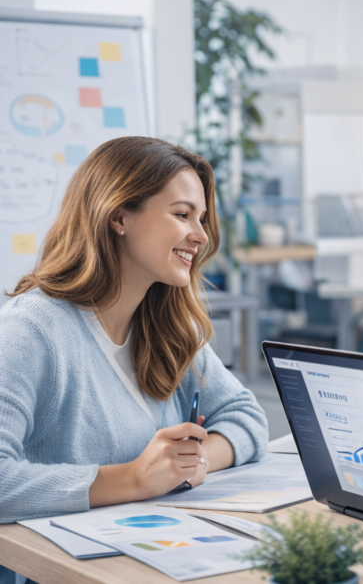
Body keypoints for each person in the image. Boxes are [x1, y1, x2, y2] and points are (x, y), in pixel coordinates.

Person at [0, 137, 269, 548]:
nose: (200, 236)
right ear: (119, 216)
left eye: (201, 219)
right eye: (182, 215)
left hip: (154, 550)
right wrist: (134, 479)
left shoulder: (168, 325)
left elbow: (246, 417)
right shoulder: (31, 330)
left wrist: (190, 464)